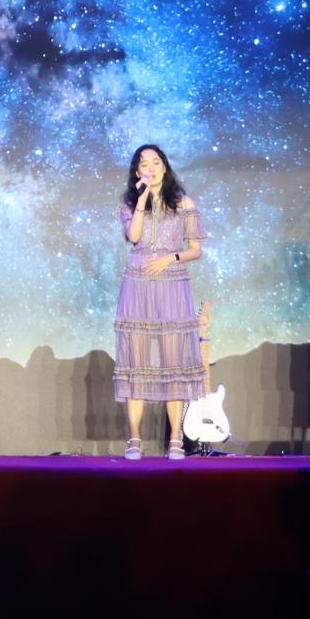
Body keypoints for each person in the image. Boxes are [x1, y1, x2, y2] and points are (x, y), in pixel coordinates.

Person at [112, 144, 204, 460]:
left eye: (155, 162)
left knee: (172, 362)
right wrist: (141, 199)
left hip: (172, 282)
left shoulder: (183, 203)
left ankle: (176, 439)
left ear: (164, 166)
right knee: (136, 362)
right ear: (137, 171)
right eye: (143, 164)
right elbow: (134, 237)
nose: (150, 168)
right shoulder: (129, 203)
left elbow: (195, 249)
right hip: (137, 282)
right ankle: (134, 439)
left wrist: (170, 257)